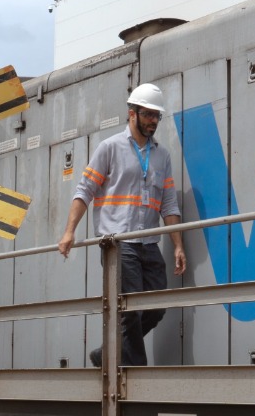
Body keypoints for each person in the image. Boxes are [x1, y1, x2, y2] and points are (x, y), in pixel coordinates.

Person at [57, 83, 186, 366]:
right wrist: (69, 232)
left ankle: (106, 354)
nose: (153, 121)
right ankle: (137, 372)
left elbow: (169, 205)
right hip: (118, 243)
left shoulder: (162, 155)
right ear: (132, 113)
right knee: (129, 308)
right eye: (148, 114)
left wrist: (177, 245)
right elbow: (85, 190)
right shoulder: (110, 148)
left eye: (157, 116)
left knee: (155, 309)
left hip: (149, 242)